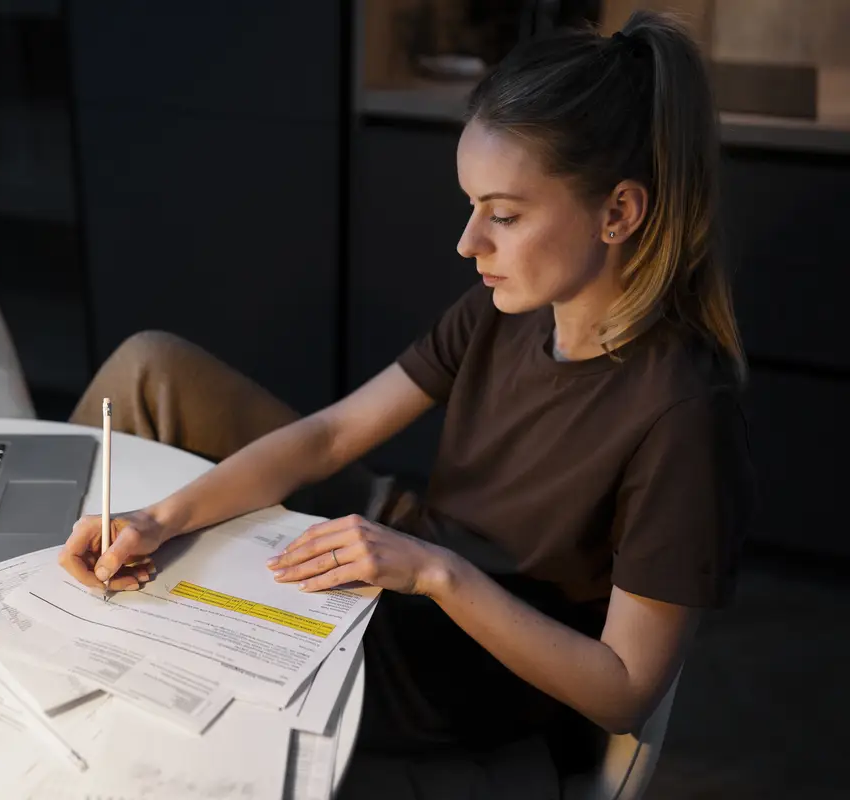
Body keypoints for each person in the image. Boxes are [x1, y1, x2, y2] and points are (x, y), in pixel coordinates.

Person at [59, 9, 754, 795]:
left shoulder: (684, 415)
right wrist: (161, 518)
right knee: (155, 378)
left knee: (174, 627)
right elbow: (330, 438)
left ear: (619, 213)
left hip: (473, 655)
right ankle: (64, 585)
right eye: (471, 206)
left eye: (504, 214)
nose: (468, 243)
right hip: (412, 547)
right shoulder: (503, 313)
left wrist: (434, 572)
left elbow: (624, 688)